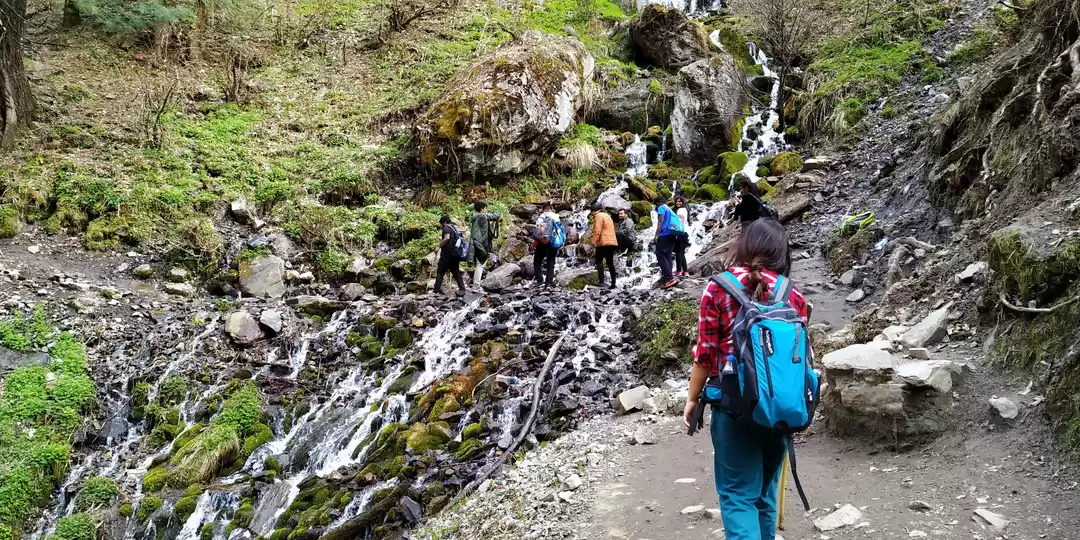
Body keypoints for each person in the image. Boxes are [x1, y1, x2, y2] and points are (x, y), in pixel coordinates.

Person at [683, 219, 809, 540]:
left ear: (743, 246)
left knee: (738, 495)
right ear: (781, 254)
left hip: (733, 408)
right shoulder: (792, 293)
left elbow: (705, 353)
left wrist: (692, 399)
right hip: (780, 411)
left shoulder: (718, 288)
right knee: (764, 495)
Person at [653, 196, 683, 289]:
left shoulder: (661, 208)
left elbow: (660, 221)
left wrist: (656, 235)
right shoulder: (669, 209)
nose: (656, 207)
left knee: (660, 255)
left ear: (659, 202)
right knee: (668, 255)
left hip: (664, 234)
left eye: (656, 204)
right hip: (672, 234)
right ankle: (668, 276)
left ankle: (669, 277)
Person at [469, 201, 500, 287]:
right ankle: (476, 284)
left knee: (480, 263)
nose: (486, 210)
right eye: (485, 208)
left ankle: (476, 283)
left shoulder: (476, 216)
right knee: (480, 264)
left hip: (478, 242)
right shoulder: (481, 216)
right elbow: (495, 215)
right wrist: (498, 210)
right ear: (482, 209)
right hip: (480, 243)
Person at [433, 215, 466, 295]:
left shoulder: (446, 228)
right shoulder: (454, 228)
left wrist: (440, 245)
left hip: (446, 255)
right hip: (454, 255)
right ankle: (462, 289)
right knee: (456, 272)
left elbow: (447, 238)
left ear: (444, 222)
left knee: (440, 272)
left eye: (441, 224)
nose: (441, 226)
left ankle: (436, 290)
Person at [533, 202, 561, 288]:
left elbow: (537, 230)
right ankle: (549, 282)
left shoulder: (541, 216)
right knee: (551, 262)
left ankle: (540, 280)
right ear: (550, 208)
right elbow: (559, 230)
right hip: (552, 242)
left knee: (537, 261)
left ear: (543, 209)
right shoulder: (556, 216)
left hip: (542, 242)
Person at [591, 203, 618, 289]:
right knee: (610, 263)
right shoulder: (607, 216)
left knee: (599, 261)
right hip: (612, 242)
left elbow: (597, 230)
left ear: (593, 210)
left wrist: (593, 242)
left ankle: (601, 282)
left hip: (603, 243)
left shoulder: (598, 216)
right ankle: (613, 283)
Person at [673, 196, 690, 278]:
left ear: (683, 202)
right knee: (680, 252)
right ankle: (684, 271)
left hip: (680, 232)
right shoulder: (684, 209)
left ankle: (680, 270)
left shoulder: (681, 210)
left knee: (679, 252)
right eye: (677, 201)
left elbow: (680, 219)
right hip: (684, 233)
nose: (678, 203)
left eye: (680, 201)